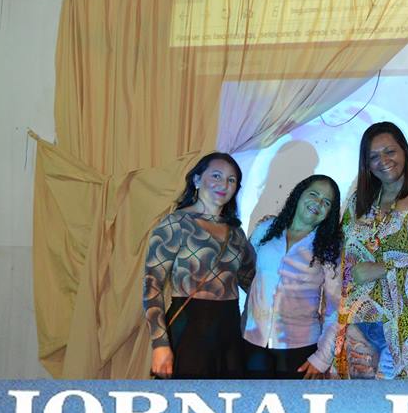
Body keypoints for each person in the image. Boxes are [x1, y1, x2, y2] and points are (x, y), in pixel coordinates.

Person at [334, 121, 408, 379]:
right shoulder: (358, 202)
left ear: (404, 151)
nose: (383, 161)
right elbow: (341, 254)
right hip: (360, 321)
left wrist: (385, 268)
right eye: (373, 156)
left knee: (406, 399)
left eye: (390, 151)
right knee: (359, 400)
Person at [143, 152, 256, 379]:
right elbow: (151, 286)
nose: (224, 184)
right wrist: (160, 344)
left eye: (231, 180)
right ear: (197, 179)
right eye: (216, 176)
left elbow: (251, 282)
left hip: (229, 331)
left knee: (226, 398)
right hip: (188, 328)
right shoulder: (175, 223)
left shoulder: (236, 232)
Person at [241, 174, 343, 379]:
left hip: (299, 350)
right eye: (313, 194)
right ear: (299, 194)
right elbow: (246, 275)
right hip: (251, 344)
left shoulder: (330, 247)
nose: (318, 203)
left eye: (326, 202)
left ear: (330, 213)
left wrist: (322, 358)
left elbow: (337, 307)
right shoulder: (265, 230)